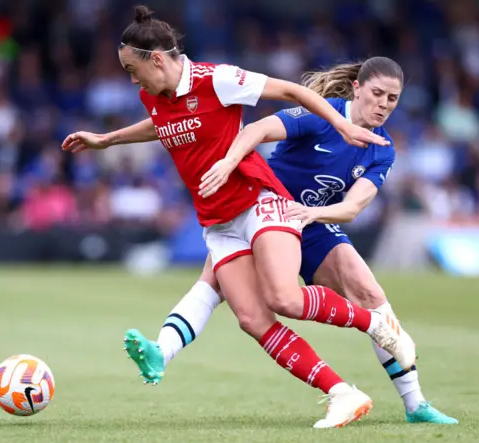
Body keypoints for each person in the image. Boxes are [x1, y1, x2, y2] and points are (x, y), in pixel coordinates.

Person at [62, 5, 416, 429]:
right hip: (217, 219)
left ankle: (374, 322)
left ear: (157, 58)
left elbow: (295, 93)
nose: (131, 79)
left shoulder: (219, 78)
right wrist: (107, 139)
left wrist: (339, 127)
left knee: (283, 297)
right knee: (251, 318)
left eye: (132, 69)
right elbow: (162, 123)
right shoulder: (153, 96)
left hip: (258, 199)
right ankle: (343, 393)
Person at [138, 58, 458, 425]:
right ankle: (161, 352)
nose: (384, 104)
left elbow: (353, 207)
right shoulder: (320, 115)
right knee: (221, 291)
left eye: (393, 98)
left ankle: (415, 403)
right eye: (377, 94)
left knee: (370, 294)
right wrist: (229, 164)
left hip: (312, 222)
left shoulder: (381, 148)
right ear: (356, 88)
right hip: (261, 210)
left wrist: (312, 214)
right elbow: (256, 129)